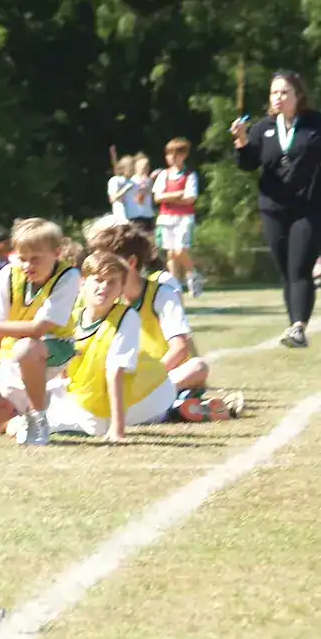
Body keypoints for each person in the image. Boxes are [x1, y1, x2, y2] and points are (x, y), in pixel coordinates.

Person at [46, 251, 238, 442]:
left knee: (43, 421)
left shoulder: (126, 316)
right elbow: (63, 368)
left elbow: (116, 373)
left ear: (122, 286)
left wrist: (117, 428)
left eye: (112, 282)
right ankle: (182, 404)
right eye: (98, 280)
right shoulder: (71, 317)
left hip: (146, 392)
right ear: (82, 282)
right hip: (124, 384)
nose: (103, 287)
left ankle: (175, 408)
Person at [0, 217, 81, 445]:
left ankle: (37, 417)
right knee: (0, 420)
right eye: (22, 259)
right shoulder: (9, 275)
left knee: (26, 348)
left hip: (56, 350)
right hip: (14, 355)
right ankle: (23, 414)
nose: (27, 265)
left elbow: (38, 328)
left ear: (56, 253)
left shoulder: (69, 276)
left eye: (35, 259)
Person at [232, 70, 321, 348]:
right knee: (285, 270)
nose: (278, 98)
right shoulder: (263, 127)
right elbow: (248, 164)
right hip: (273, 209)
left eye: (284, 92)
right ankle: (295, 323)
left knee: (300, 267)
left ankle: (298, 326)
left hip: (308, 208)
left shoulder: (315, 124)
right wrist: (242, 140)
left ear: (298, 95)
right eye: (274, 93)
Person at [84, 217, 213, 396]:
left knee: (198, 367)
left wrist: (148, 379)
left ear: (130, 262)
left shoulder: (161, 294)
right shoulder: (106, 297)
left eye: (107, 261)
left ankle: (166, 398)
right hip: (127, 379)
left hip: (162, 376)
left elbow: (180, 349)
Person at [150, 138, 201, 297]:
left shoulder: (189, 175)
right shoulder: (163, 175)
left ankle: (193, 275)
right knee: (171, 253)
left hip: (184, 217)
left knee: (180, 250)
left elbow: (190, 198)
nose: (171, 157)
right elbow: (158, 197)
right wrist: (177, 195)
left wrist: (169, 197)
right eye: (169, 154)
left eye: (175, 154)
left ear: (183, 155)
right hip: (166, 217)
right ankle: (174, 286)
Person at [107, 151, 157, 232]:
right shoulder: (115, 180)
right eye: (130, 167)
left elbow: (139, 199)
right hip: (123, 218)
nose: (132, 169)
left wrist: (146, 188)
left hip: (139, 216)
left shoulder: (132, 182)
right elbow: (113, 199)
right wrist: (126, 189)